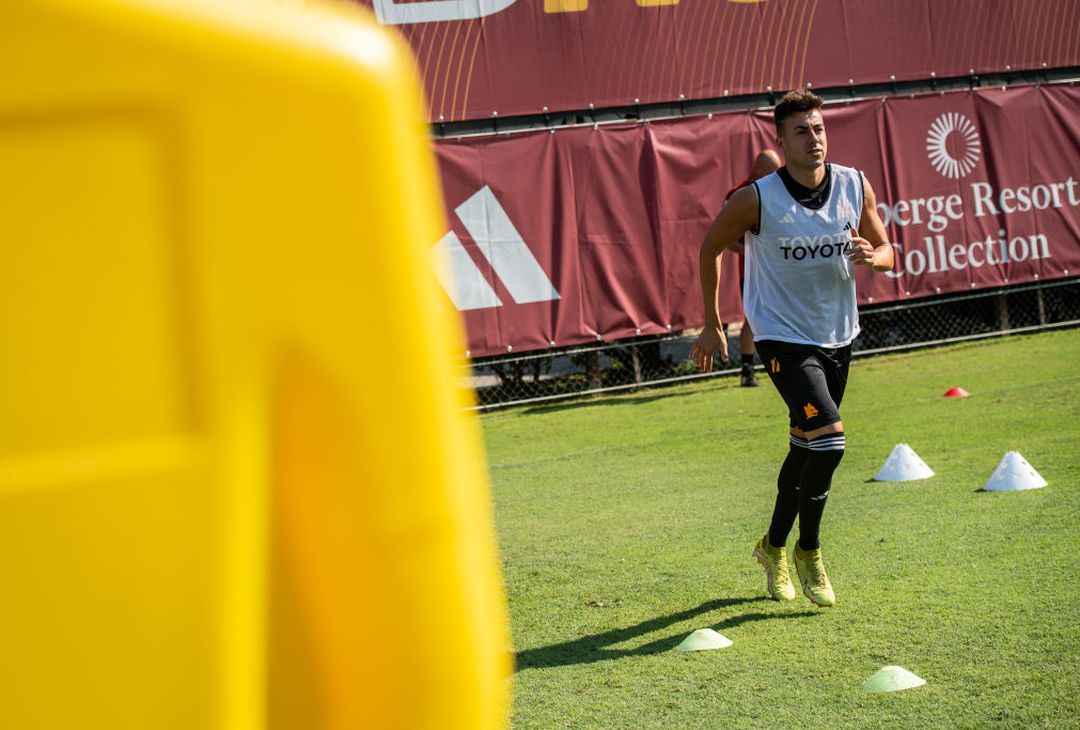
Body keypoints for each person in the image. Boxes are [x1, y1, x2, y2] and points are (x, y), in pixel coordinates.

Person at [689, 89, 894, 607]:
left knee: (807, 446)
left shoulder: (854, 184)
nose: (814, 139)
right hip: (781, 336)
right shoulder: (756, 199)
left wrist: (875, 257)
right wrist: (712, 323)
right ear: (782, 141)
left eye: (819, 128)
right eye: (801, 131)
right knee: (831, 441)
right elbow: (711, 247)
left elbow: (888, 249)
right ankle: (810, 550)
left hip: (839, 335)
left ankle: (772, 546)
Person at [724, 149, 782, 387]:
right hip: (751, 273)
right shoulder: (738, 195)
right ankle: (747, 370)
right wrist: (753, 254)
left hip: (779, 270)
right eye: (772, 172)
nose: (777, 177)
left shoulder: (778, 190)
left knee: (782, 316)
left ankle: (782, 365)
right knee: (753, 319)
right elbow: (726, 241)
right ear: (758, 170)